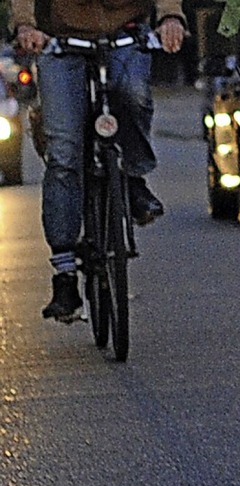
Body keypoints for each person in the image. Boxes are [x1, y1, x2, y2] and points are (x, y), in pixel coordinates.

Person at [10, 0, 186, 321]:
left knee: (133, 93)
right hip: (60, 39)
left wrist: (171, 17)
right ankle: (64, 274)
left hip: (125, 32)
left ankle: (133, 179)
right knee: (63, 153)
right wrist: (26, 26)